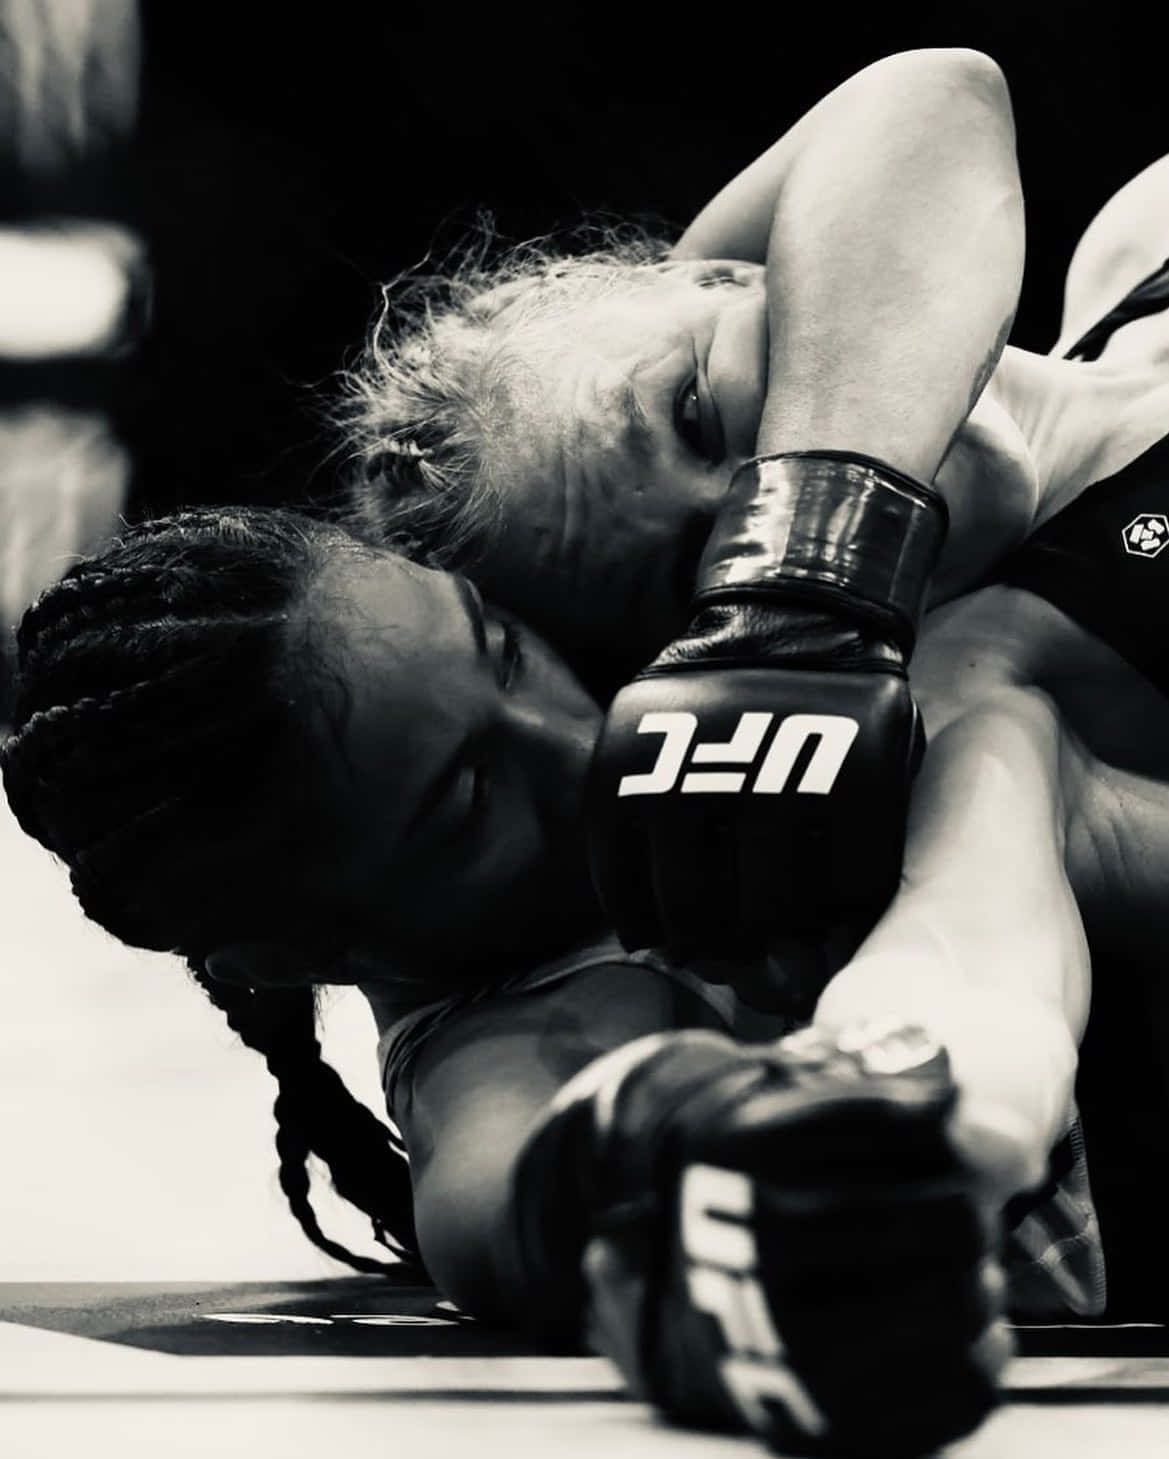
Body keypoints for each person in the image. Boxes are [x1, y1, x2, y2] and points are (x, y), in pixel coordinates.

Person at [3, 46, 1165, 1452]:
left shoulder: (764, 535)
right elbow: (507, 1158)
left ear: (738, 275)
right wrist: (684, 1166)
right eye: (466, 797)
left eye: (511, 653)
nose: (580, 734)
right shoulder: (942, 705)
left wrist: (799, 573)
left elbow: (931, 101)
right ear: (302, 947)